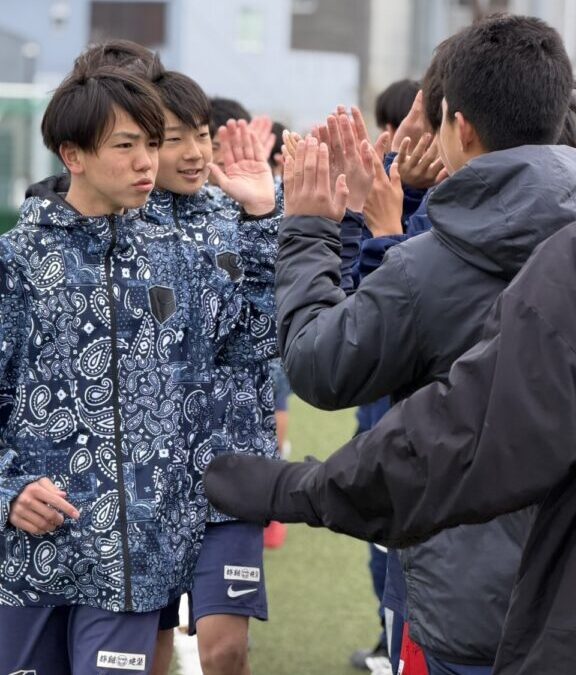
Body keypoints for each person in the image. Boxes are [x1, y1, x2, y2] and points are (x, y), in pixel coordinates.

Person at [204, 13, 576, 675]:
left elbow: (322, 366)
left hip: (463, 604)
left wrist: (312, 228)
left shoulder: (435, 263)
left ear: (460, 126)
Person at [0, 63, 248, 674]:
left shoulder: (176, 257)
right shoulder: (17, 261)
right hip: (29, 557)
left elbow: (249, 347)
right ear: (73, 155)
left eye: (151, 144)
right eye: (126, 145)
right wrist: (7, 491)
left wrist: (269, 220)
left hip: (135, 563)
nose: (146, 162)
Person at [146, 71, 279, 675]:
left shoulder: (237, 215)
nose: (194, 152)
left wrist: (262, 215)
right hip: (143, 480)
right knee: (149, 654)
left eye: (201, 134)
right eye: (174, 138)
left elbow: (268, 335)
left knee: (224, 650)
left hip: (231, 472)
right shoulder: (115, 228)